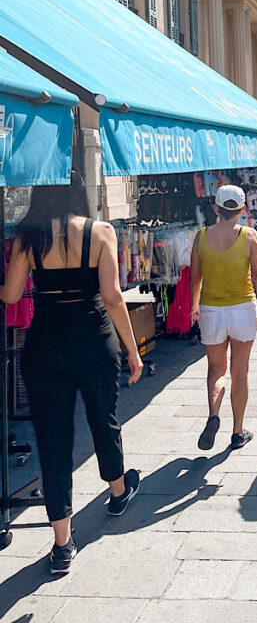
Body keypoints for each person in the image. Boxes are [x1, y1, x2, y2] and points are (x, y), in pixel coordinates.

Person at [0, 177, 143, 574]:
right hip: (93, 337)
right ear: (80, 194)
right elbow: (113, 297)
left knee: (52, 436)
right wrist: (132, 350)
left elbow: (11, 295)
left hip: (45, 341)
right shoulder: (100, 231)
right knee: (103, 418)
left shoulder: (30, 235)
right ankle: (117, 492)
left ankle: (63, 543)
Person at [191, 185, 257, 453]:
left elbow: (195, 278)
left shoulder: (201, 236)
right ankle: (238, 431)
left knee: (216, 370)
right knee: (240, 372)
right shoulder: (249, 237)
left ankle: (214, 414)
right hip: (242, 309)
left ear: (216, 208)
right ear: (241, 210)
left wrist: (194, 305)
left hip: (211, 310)